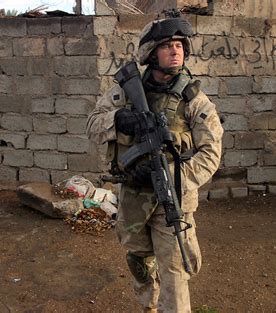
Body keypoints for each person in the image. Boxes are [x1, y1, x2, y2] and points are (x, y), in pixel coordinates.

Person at [86, 15, 223, 312]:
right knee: (140, 265)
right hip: (133, 198)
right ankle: (148, 307)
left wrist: (172, 175)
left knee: (174, 275)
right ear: (150, 53)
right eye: (167, 46)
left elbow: (210, 154)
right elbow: (92, 124)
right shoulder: (124, 93)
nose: (176, 51)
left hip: (171, 200)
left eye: (179, 45)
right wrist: (119, 119)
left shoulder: (195, 101)